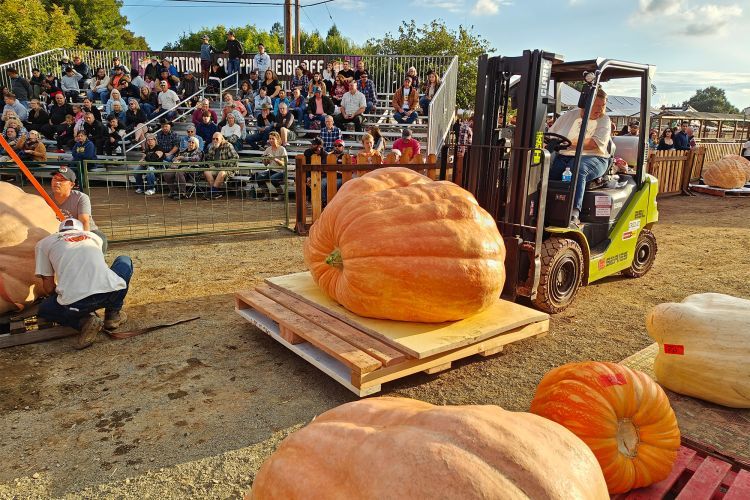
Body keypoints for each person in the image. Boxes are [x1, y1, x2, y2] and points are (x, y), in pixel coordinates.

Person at [35, 217, 131, 349]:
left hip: (77, 304)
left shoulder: (43, 244)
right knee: (124, 260)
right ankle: (112, 315)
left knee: (45, 309)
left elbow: (49, 286)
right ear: (80, 230)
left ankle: (85, 321)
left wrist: (60, 297)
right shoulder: (93, 236)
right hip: (111, 293)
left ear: (59, 232)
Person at [548, 87, 611, 225]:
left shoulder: (604, 120)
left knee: (577, 169)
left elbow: (593, 143)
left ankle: (574, 212)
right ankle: (546, 210)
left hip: (594, 157)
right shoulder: (569, 116)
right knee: (549, 173)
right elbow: (551, 134)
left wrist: (567, 142)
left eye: (603, 106)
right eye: (597, 105)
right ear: (585, 104)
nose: (600, 109)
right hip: (565, 155)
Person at [49, 165, 107, 250]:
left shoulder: (81, 197)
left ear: (71, 184)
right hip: (59, 233)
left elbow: (84, 222)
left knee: (100, 238)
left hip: (85, 231)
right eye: (55, 179)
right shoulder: (46, 199)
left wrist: (83, 244)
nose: (57, 182)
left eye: (62, 180)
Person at [203, 132, 239, 199]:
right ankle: (214, 192)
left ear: (222, 139)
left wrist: (225, 167)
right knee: (206, 172)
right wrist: (211, 166)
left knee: (222, 172)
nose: (215, 140)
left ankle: (213, 192)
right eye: (213, 139)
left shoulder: (228, 145)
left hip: (229, 168)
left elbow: (235, 158)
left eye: (217, 139)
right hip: (216, 168)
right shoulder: (211, 147)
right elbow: (209, 159)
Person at [256, 131, 288, 199]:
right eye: (270, 138)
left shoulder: (282, 149)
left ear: (277, 139)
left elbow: (284, 164)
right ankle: (267, 194)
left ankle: (281, 194)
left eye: (273, 138)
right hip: (271, 170)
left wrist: (274, 158)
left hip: (281, 171)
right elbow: (265, 164)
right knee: (259, 177)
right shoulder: (268, 149)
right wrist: (265, 160)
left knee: (273, 178)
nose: (270, 140)